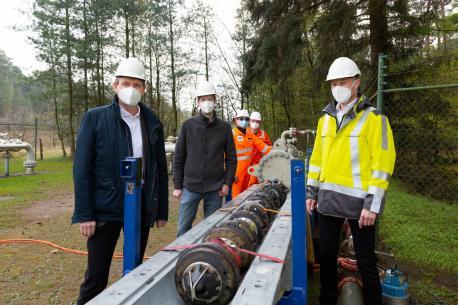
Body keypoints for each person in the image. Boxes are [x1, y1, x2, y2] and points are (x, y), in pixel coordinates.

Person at [72, 57, 169, 305]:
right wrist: (85, 213)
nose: (131, 89)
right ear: (115, 86)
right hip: (106, 208)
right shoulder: (96, 118)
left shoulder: (152, 121)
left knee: (135, 271)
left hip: (140, 207)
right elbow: (82, 168)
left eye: (137, 85)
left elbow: (159, 168)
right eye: (126, 83)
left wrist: (160, 210)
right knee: (96, 276)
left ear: (144, 89)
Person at [306, 57, 396, 305]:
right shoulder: (325, 119)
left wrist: (372, 205)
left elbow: (383, 164)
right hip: (328, 202)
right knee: (325, 258)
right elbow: (316, 160)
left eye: (343, 82)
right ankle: (327, 300)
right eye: (334, 83)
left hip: (361, 207)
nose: (338, 87)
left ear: (356, 83)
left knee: (366, 262)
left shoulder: (374, 119)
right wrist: (311, 192)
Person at [173, 81, 237, 237]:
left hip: (215, 189)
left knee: (212, 230)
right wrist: (177, 185)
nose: (207, 103)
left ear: (215, 101)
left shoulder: (224, 127)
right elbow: (179, 156)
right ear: (198, 102)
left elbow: (231, 158)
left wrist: (227, 184)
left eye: (210, 99)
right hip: (190, 187)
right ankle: (180, 259)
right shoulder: (188, 126)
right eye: (203, 99)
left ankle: (207, 258)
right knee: (183, 228)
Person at [232, 109, 272, 197]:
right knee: (235, 197)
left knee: (246, 195)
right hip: (236, 171)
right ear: (236, 120)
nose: (244, 121)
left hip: (248, 170)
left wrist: (277, 151)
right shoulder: (232, 134)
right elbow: (224, 155)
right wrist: (229, 173)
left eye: (246, 119)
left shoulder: (250, 135)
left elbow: (263, 147)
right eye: (241, 119)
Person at [247, 111, 272, 186]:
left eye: (257, 121)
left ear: (260, 122)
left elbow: (269, 149)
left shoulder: (264, 134)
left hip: (258, 163)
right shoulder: (245, 132)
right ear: (249, 121)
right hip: (245, 163)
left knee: (253, 184)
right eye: (253, 121)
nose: (255, 123)